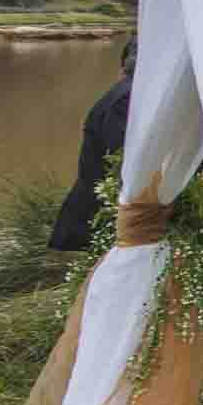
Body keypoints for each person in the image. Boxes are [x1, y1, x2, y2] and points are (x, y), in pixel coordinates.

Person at [49, 43, 137, 252]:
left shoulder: (129, 93)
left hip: (112, 218)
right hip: (102, 219)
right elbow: (122, 160)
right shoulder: (126, 99)